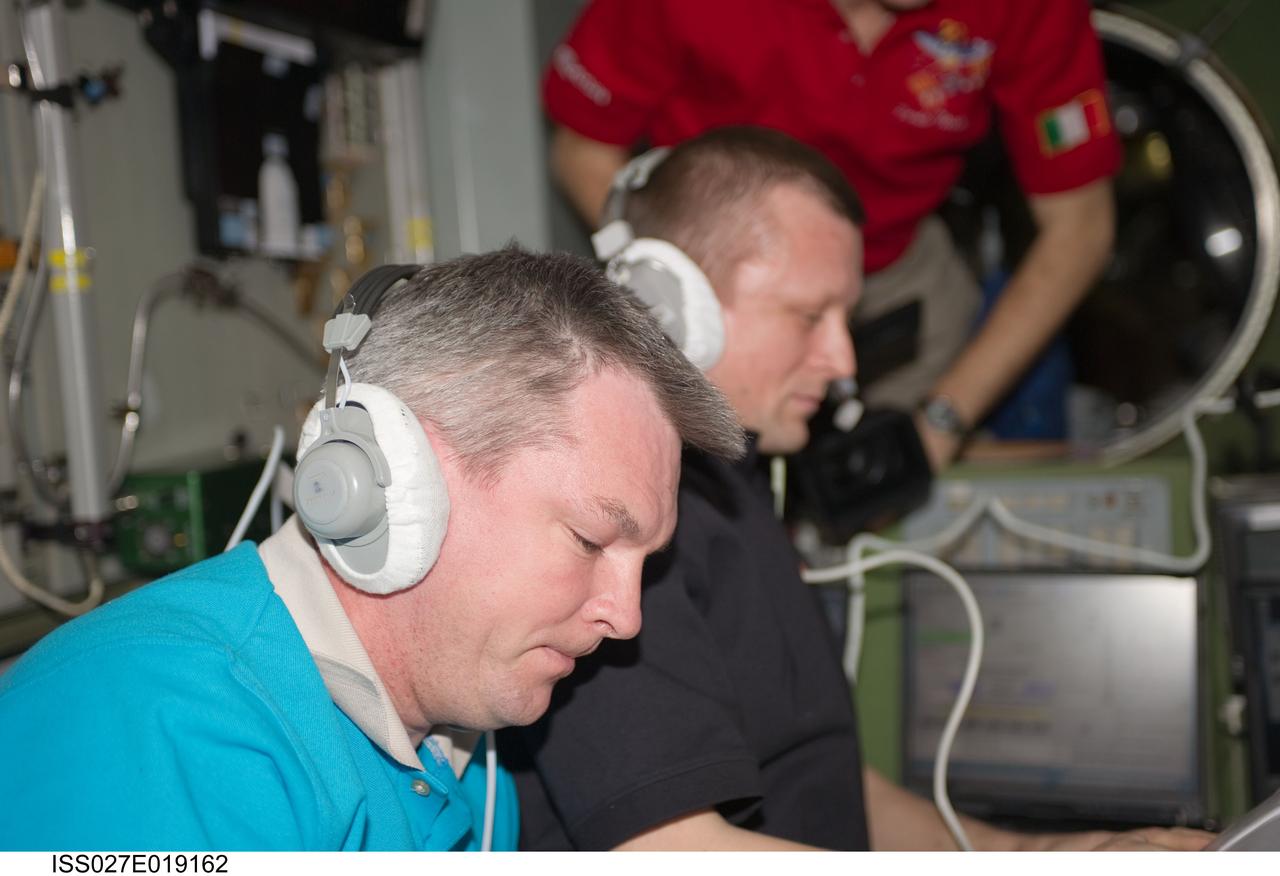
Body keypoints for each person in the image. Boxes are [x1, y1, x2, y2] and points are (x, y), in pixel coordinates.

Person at [501, 128, 1210, 851]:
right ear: (670, 303)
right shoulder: (631, 524)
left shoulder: (737, 489)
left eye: (847, 320)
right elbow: (670, 851)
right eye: (810, 316)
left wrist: (1039, 854)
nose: (843, 362)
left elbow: (829, 785)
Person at [0, 248, 744, 851]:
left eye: (643, 565)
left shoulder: (469, 766)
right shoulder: (161, 730)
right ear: (398, 477)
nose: (626, 618)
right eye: (589, 539)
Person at [542, 0, 1120, 468]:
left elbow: (1081, 224)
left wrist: (946, 417)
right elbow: (583, 146)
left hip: (899, 271)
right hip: (724, 282)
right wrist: (678, 289)